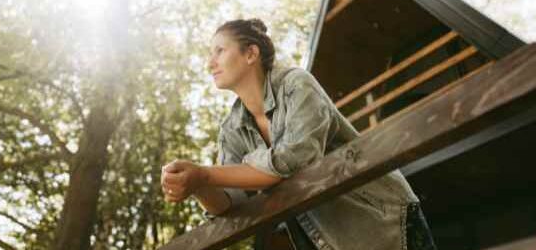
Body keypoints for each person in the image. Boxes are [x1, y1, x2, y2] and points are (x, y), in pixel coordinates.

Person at [161, 18, 437, 250]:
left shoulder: (296, 84)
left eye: (219, 51)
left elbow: (292, 160)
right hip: (324, 239)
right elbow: (229, 204)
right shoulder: (231, 130)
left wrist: (206, 173)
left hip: (383, 218)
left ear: (250, 54)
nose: (210, 63)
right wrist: (196, 184)